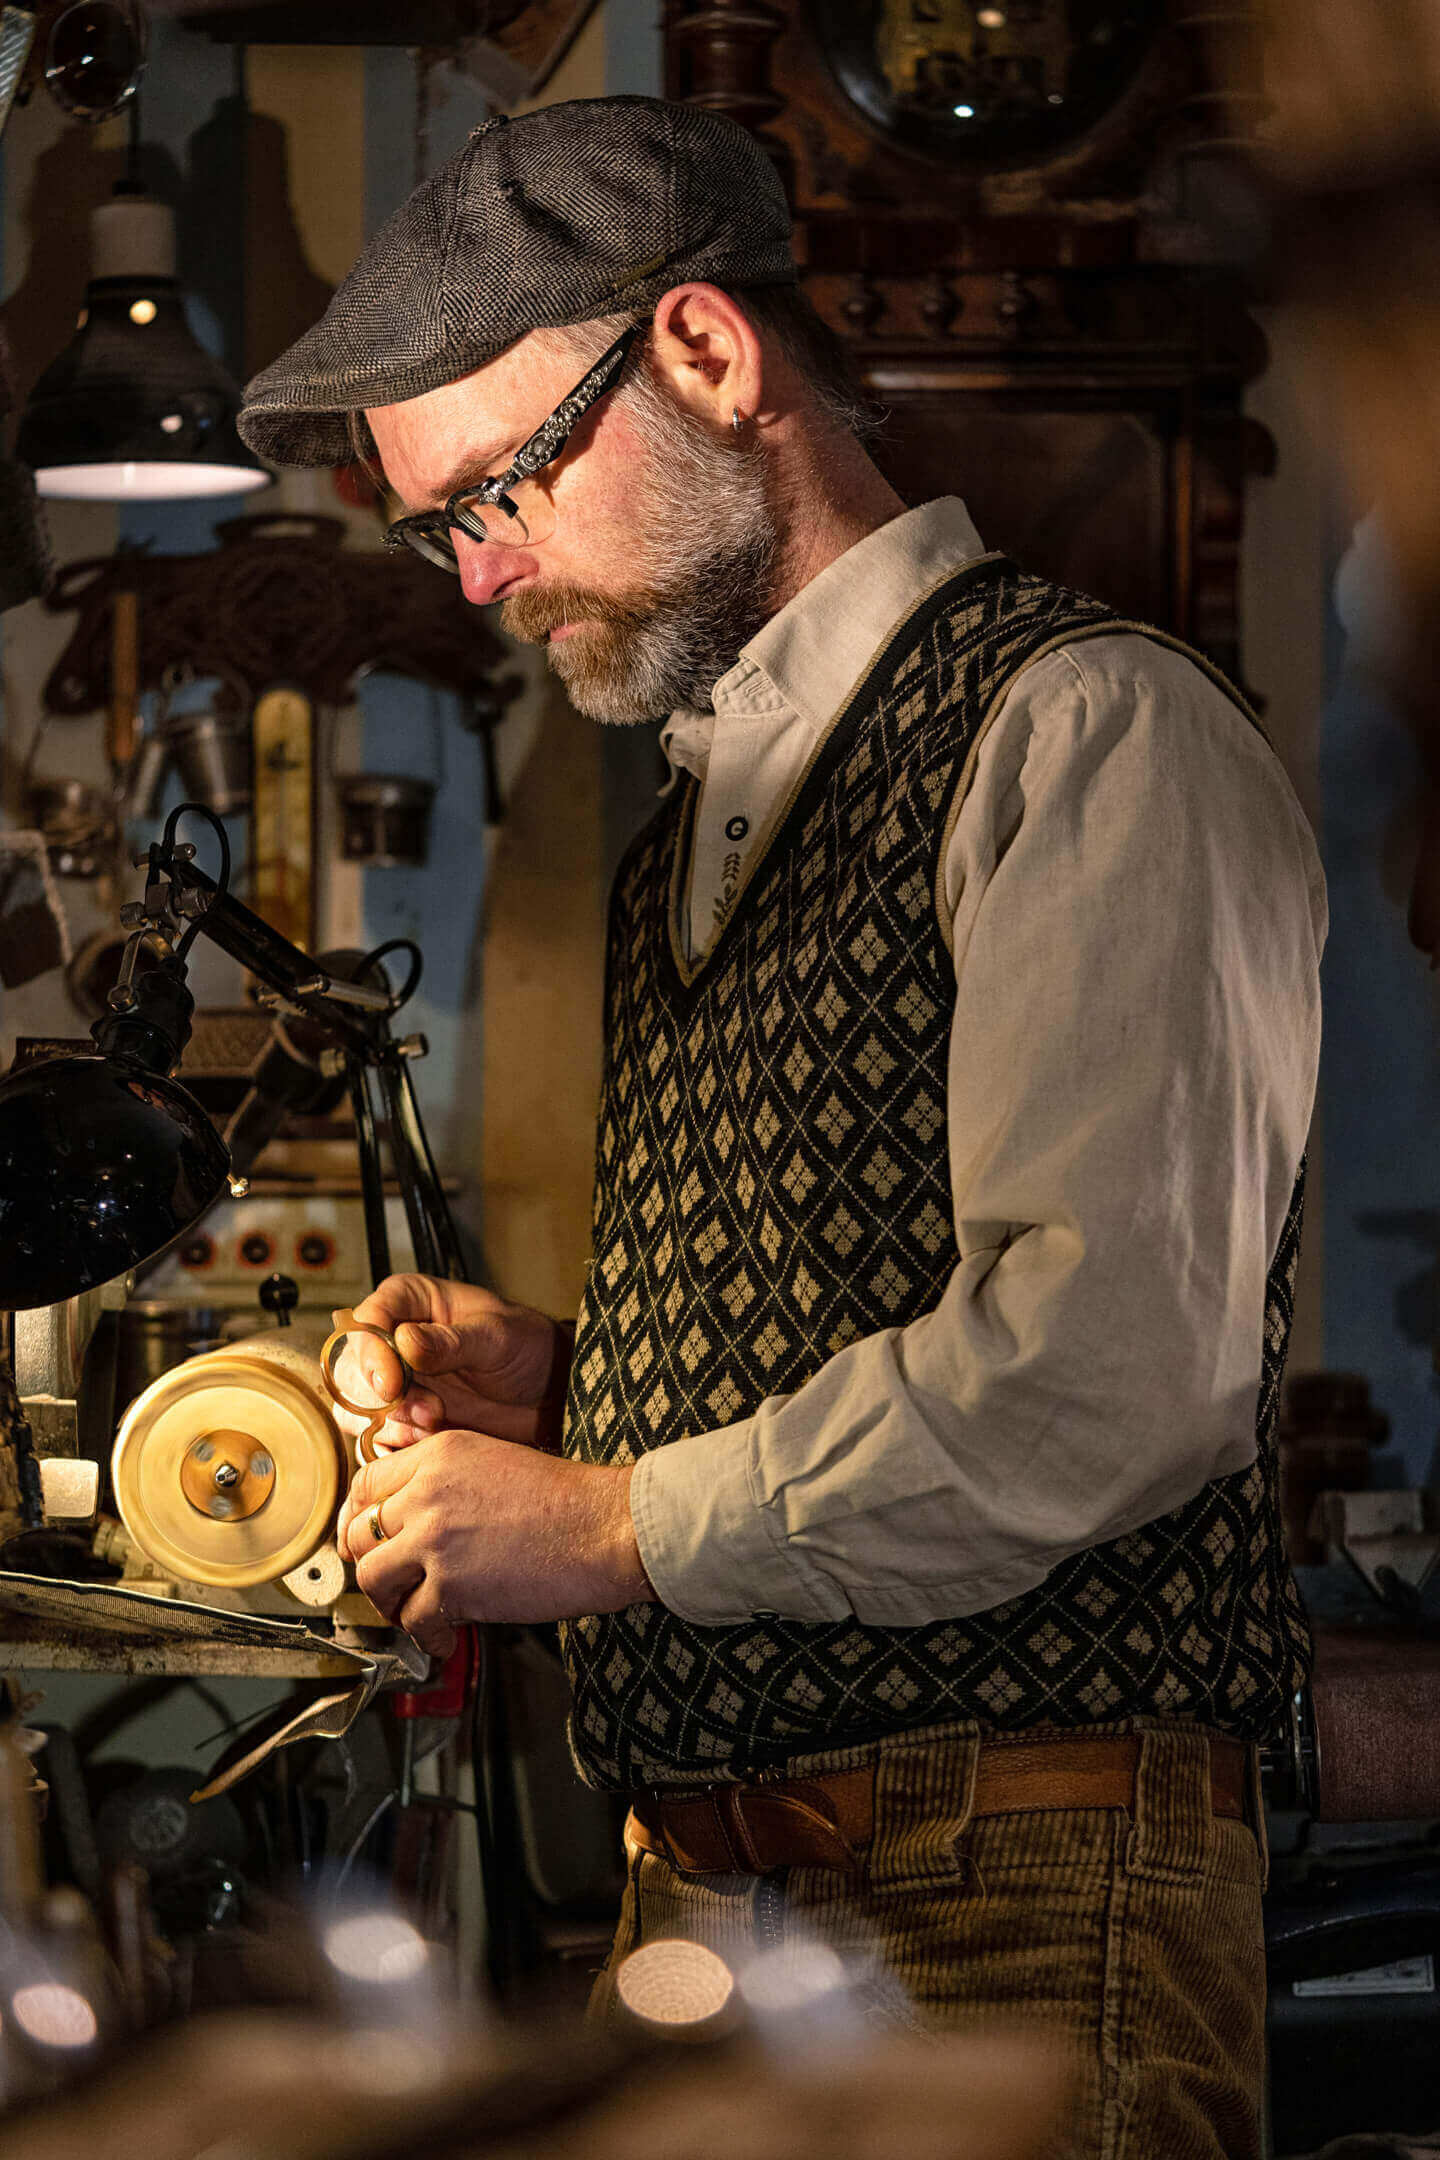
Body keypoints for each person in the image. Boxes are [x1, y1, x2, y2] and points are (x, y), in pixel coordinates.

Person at [239, 95, 1325, 2158]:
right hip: (721, 1905)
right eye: (437, 533)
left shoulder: (1080, 731)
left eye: (497, 493)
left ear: (707, 359)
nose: (481, 579)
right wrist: (571, 1391)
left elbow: (1106, 1375)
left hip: (1012, 1905)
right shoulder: (688, 836)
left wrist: (613, 1525)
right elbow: (867, 1303)